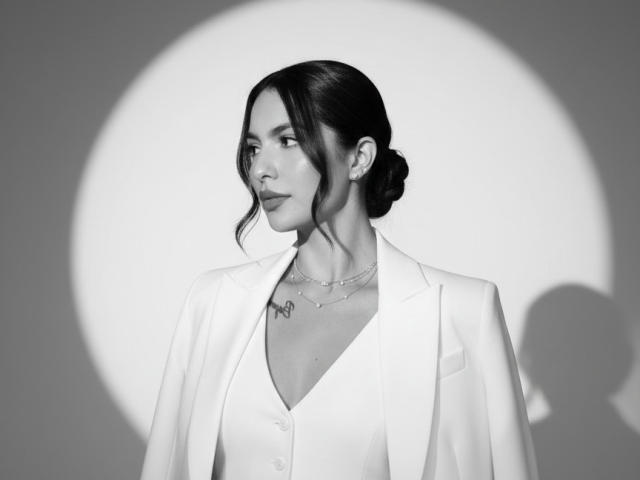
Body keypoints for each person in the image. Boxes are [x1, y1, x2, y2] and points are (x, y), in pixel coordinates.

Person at [139, 59, 539, 480]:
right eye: (254, 148)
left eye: (288, 140)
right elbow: (167, 465)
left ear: (359, 158)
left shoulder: (461, 311)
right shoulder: (213, 302)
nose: (259, 170)